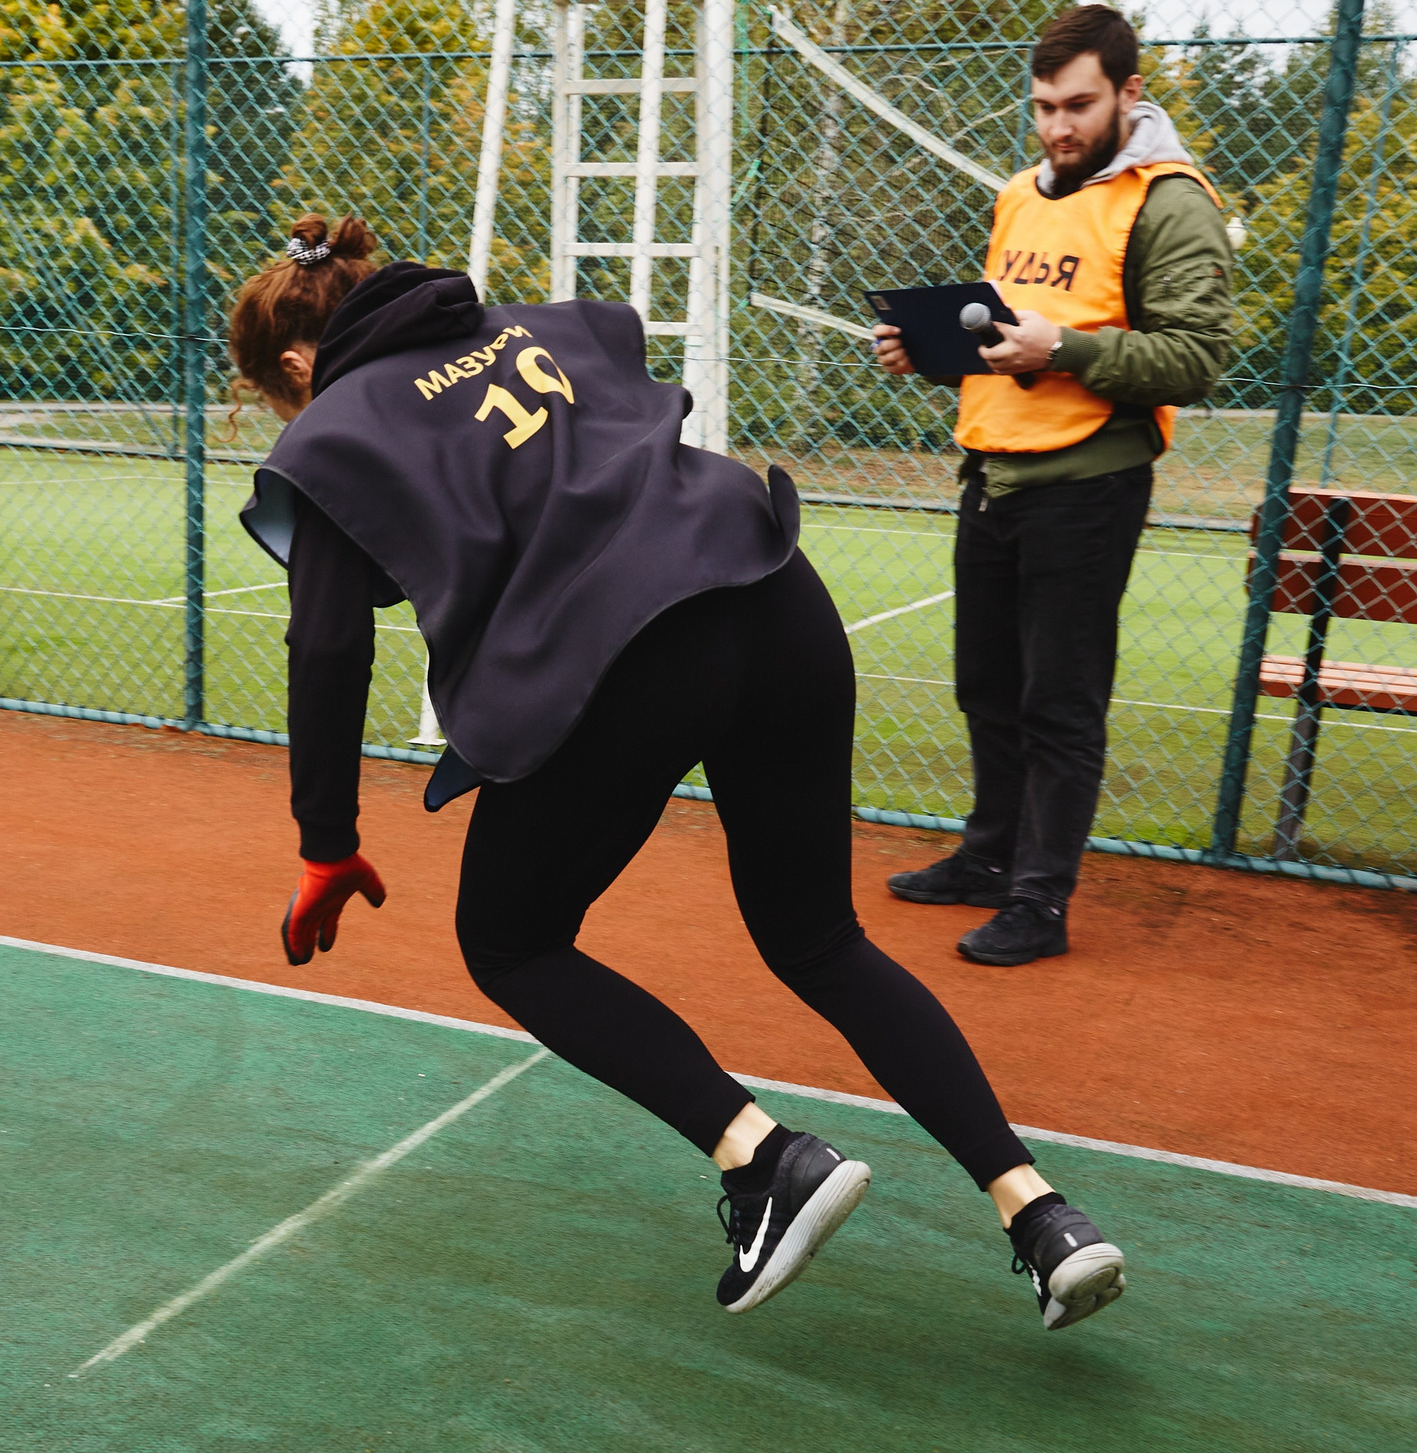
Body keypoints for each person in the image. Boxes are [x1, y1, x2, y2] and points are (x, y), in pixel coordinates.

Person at [230, 212, 1129, 1330]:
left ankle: (762, 1160)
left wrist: (326, 838)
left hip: (629, 650)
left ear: (298, 366)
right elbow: (605, 365)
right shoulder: (532, 325)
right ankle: (1042, 1216)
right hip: (768, 583)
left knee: (509, 942)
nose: (287, 419)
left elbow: (326, 645)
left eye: (278, 399)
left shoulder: (333, 429)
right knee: (819, 939)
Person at [872, 4, 1234, 966]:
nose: (1058, 127)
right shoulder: (1018, 195)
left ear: (1129, 94)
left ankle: (1040, 899)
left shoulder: (1171, 200)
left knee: (1059, 702)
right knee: (986, 688)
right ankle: (989, 859)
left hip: (1088, 484)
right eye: (1043, 107)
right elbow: (1007, 343)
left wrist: (1063, 347)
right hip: (991, 472)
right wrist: (936, 354)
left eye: (1078, 106)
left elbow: (1196, 359)